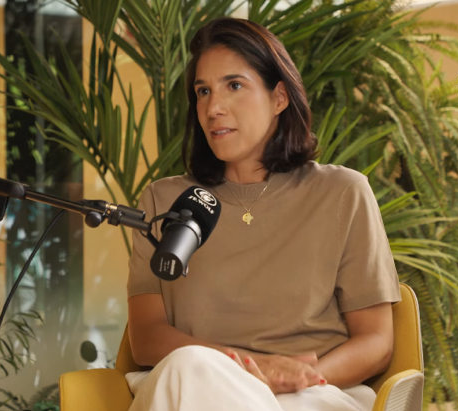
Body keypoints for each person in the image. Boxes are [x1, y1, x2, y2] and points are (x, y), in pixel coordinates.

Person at [124, 17, 401, 411]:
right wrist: (251, 371)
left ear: (279, 98)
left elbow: (376, 342)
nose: (213, 108)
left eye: (234, 86)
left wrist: (297, 378)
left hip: (310, 394)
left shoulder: (343, 193)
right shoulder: (164, 201)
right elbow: (147, 337)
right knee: (187, 367)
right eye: (203, 91)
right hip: (189, 385)